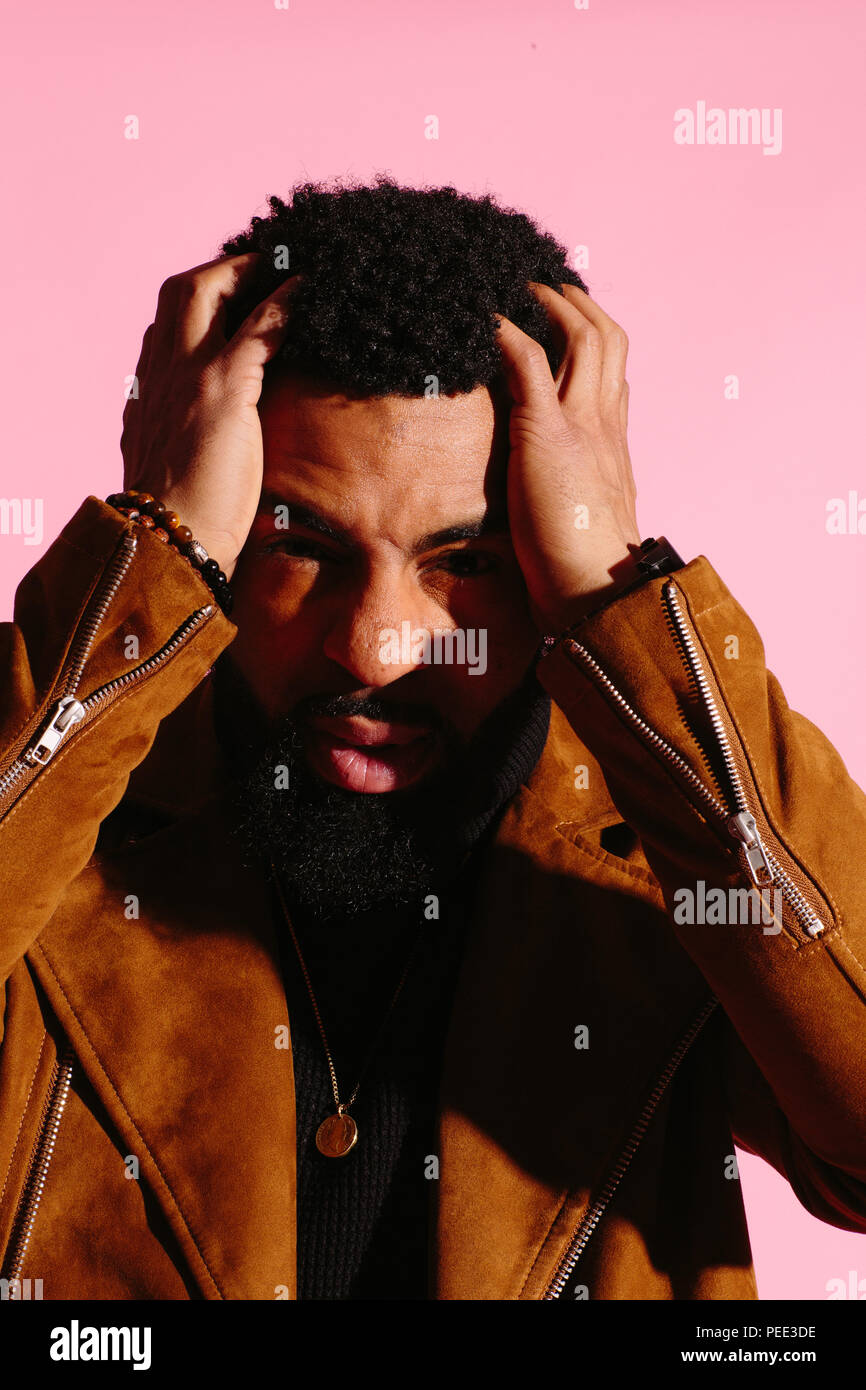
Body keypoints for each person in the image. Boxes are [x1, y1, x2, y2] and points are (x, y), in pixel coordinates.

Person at [0, 175, 864, 1302]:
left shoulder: (665, 849)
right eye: (299, 543)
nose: (372, 649)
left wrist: (617, 588)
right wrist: (148, 553)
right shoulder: (64, 828)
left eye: (466, 562)